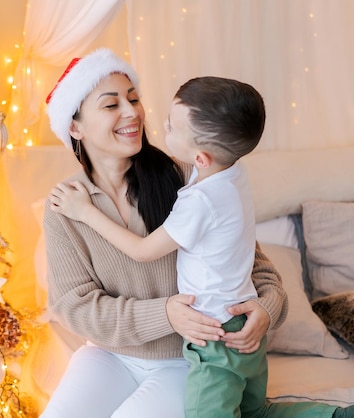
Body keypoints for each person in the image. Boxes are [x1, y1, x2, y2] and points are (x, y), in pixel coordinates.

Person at [41, 48, 352, 418]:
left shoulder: (192, 175)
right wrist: (164, 314)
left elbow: (255, 268)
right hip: (109, 354)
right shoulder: (67, 204)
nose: (132, 112)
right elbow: (72, 307)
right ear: (74, 127)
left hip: (187, 357)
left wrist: (267, 310)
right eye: (111, 105)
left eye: (134, 98)